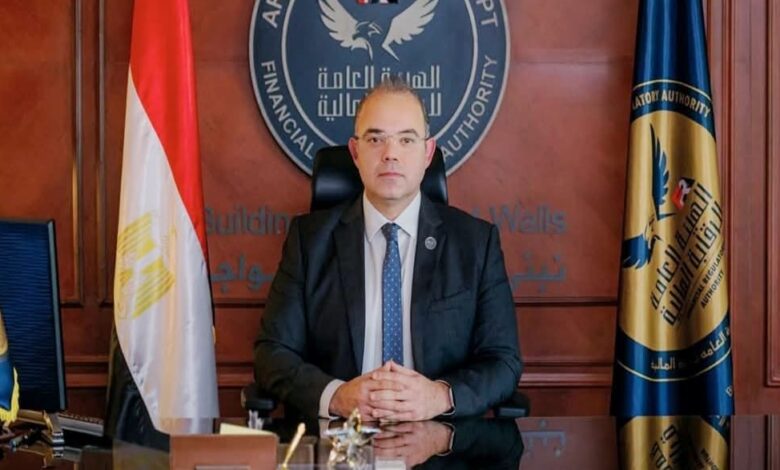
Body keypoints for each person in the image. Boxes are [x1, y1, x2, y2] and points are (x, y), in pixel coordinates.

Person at [254, 76, 521, 421]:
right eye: (375, 139)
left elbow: (503, 361)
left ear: (428, 153)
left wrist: (440, 396)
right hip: (341, 435)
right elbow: (272, 353)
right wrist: (336, 395)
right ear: (355, 152)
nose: (390, 154)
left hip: (440, 434)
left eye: (406, 140)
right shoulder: (309, 242)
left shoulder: (475, 244)